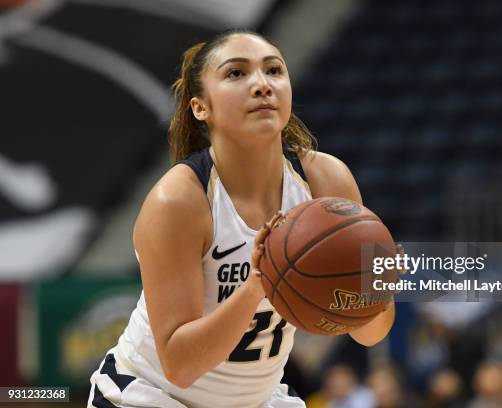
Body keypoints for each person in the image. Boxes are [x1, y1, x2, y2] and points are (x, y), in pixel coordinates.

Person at [87, 29, 395, 408]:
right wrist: (257, 286)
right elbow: (179, 366)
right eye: (236, 73)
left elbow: (372, 333)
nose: (262, 84)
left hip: (256, 400)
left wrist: (373, 284)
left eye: (274, 71)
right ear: (201, 107)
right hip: (152, 395)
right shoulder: (180, 200)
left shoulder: (326, 180)